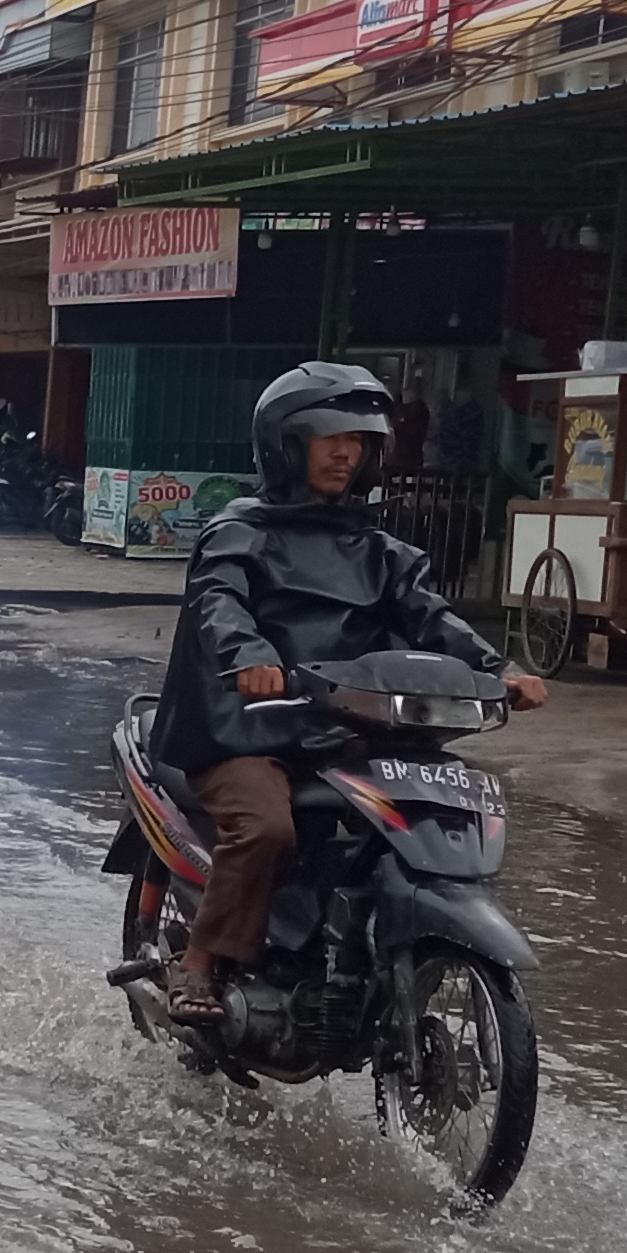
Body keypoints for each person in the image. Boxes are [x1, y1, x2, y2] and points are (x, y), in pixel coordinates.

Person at [152, 359, 543, 1022]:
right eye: (330, 439)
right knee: (268, 827)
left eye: (359, 443)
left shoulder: (380, 550)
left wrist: (495, 669)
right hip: (247, 729)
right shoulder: (238, 531)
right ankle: (201, 964)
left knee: (417, 810)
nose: (345, 455)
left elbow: (432, 617)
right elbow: (220, 603)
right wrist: (250, 654)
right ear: (285, 444)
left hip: (347, 729)